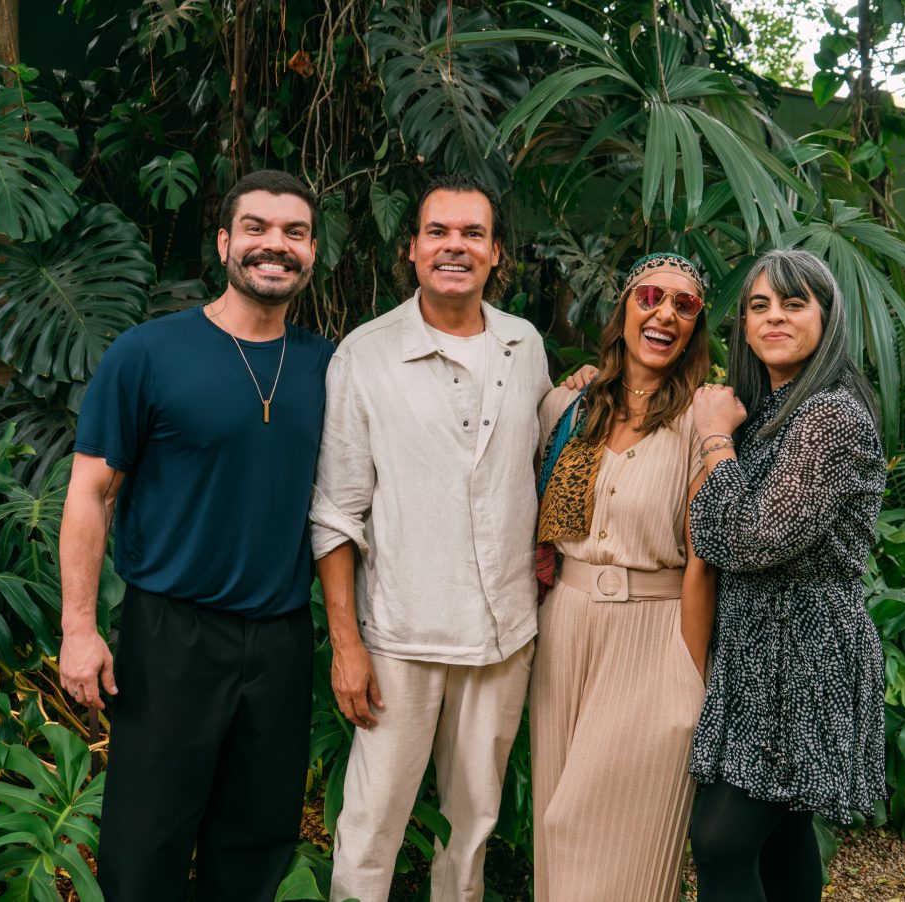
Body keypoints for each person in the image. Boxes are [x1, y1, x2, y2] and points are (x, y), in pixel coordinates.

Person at [57, 170, 335, 901]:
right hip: (170, 634)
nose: (275, 245)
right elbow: (90, 492)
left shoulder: (331, 366)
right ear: (223, 243)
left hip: (279, 638)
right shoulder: (148, 355)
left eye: (294, 233)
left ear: (312, 253)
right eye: (257, 228)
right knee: (146, 837)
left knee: (256, 841)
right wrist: (78, 627)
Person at [311, 174, 551, 902]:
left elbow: (542, 468)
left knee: (472, 827)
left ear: (495, 253)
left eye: (472, 233)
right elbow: (336, 513)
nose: (456, 246)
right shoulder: (366, 354)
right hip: (401, 637)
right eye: (439, 232)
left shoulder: (524, 345)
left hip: (503, 634)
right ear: (412, 249)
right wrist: (348, 647)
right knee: (370, 827)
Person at [685, 248, 887, 901]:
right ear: (742, 323)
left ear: (826, 318)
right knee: (780, 835)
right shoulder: (771, 410)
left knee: (722, 843)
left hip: (800, 658)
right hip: (759, 653)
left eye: (793, 303)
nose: (774, 317)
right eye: (758, 305)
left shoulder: (829, 416)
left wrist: (714, 438)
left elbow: (746, 537)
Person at [530, 252, 717, 901]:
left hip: (655, 635)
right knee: (554, 831)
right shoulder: (567, 406)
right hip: (565, 629)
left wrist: (688, 680)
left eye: (684, 304)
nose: (665, 312)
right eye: (650, 297)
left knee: (609, 837)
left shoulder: (704, 422)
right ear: (624, 310)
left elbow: (706, 560)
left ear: (696, 325)